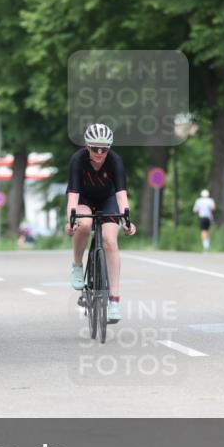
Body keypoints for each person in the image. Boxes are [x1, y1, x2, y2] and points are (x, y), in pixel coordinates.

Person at [65, 123, 137, 323]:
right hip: (83, 200)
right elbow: (73, 195)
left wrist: (127, 220)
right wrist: (71, 220)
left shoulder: (115, 160)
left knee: (110, 241)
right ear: (87, 146)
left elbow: (122, 195)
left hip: (108, 199)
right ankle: (78, 264)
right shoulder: (78, 160)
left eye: (104, 149)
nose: (99, 152)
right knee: (85, 224)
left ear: (109, 148)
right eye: (95, 148)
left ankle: (114, 301)